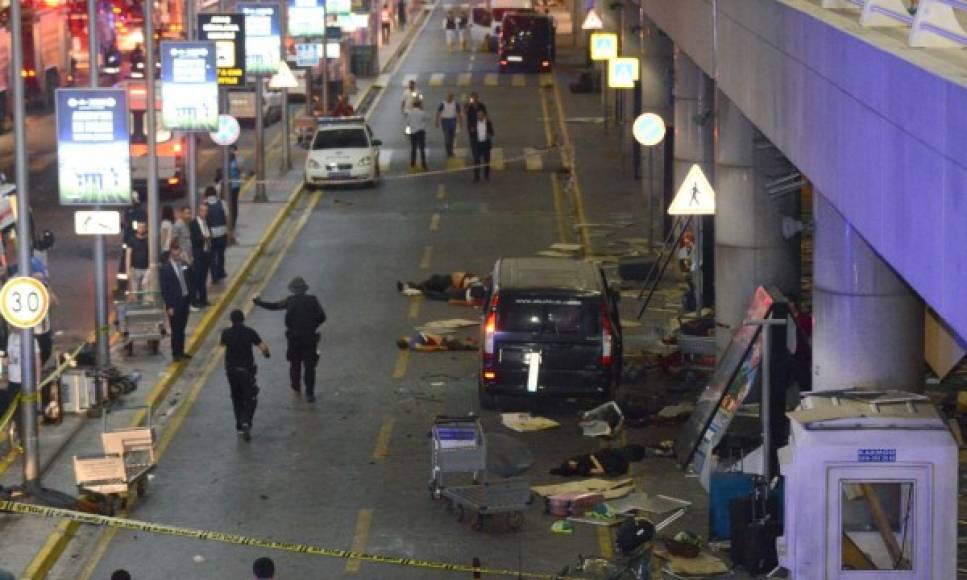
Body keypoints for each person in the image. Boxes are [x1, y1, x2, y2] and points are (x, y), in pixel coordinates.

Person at [253, 277, 326, 403]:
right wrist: (312, 326)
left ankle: (296, 386)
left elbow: (274, 306)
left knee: (295, 364)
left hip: (294, 338)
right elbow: (322, 317)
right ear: (304, 289)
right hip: (310, 338)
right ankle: (310, 394)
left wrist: (258, 302)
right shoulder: (313, 300)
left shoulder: (289, 301)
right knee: (309, 366)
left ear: (292, 290)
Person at [220, 309, 270, 441]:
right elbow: (263, 347)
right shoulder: (250, 332)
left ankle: (239, 426)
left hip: (231, 371)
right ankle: (246, 420)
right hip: (246, 371)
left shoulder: (226, 333)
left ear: (231, 320)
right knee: (251, 397)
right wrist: (266, 354)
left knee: (236, 398)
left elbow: (222, 344)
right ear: (243, 319)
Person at [5, 329, 41, 452]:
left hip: (27, 382)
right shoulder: (10, 338)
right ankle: (21, 438)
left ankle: (30, 439)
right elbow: (7, 358)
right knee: (15, 413)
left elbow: (37, 360)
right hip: (12, 381)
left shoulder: (32, 339)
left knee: (27, 411)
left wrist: (37, 382)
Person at [159, 244, 192, 361]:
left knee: (182, 329)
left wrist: (187, 262)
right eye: (175, 254)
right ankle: (175, 353)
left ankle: (181, 351)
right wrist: (169, 306)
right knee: (176, 329)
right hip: (174, 303)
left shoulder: (183, 265)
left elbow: (190, 276)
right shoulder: (166, 269)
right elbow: (165, 289)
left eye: (179, 253)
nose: (177, 256)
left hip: (185, 301)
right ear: (171, 254)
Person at [189, 203, 213, 309]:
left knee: (203, 277)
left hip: (206, 253)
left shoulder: (207, 222)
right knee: (197, 278)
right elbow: (194, 239)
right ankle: (195, 300)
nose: (205, 213)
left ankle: (203, 299)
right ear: (199, 211)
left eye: (206, 211)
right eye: (203, 211)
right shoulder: (193, 224)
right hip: (198, 254)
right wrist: (204, 238)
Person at [397, 271, 482, 301]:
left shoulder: (478, 290)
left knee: (434, 290)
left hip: (466, 290)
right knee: (435, 280)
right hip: (455, 283)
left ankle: (412, 288)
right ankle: (414, 287)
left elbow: (468, 290)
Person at [205, 186, 229, 283]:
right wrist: (229, 230)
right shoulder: (222, 203)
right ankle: (221, 271)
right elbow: (227, 217)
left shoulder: (205, 205)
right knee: (221, 254)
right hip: (222, 232)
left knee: (212, 256)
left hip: (211, 235)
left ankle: (214, 276)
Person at [124, 221, 151, 294]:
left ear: (146, 228)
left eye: (143, 227)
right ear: (137, 228)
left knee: (146, 291)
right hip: (134, 269)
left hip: (146, 269)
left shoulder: (149, 240)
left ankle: (145, 304)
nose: (141, 229)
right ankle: (135, 304)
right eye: (139, 227)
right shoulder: (131, 239)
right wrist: (127, 270)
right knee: (134, 292)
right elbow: (128, 255)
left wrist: (150, 269)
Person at [469, 108, 494, 182]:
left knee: (487, 161)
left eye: (481, 115)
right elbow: (471, 134)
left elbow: (492, 133)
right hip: (477, 145)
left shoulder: (488, 123)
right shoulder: (474, 123)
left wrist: (489, 135)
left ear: (484, 115)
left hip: (486, 144)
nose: (479, 116)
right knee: (476, 161)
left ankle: (486, 176)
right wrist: (472, 131)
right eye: (478, 115)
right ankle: (476, 177)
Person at [405, 98, 429, 171]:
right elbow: (427, 118)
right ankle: (424, 164)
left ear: (413, 105)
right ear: (419, 105)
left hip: (413, 132)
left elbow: (407, 123)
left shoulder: (410, 113)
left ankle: (413, 163)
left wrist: (407, 132)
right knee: (422, 149)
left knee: (413, 148)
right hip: (421, 132)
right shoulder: (422, 112)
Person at [435, 93, 461, 158]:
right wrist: (436, 121)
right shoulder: (442, 104)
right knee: (447, 138)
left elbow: (458, 113)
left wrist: (460, 122)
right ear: (446, 97)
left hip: (453, 121)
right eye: (448, 97)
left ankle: (451, 151)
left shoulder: (456, 104)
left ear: (452, 98)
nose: (449, 99)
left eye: (451, 97)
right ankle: (448, 152)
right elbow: (438, 112)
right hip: (445, 122)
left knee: (452, 138)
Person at [464, 93, 488, 160]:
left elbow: (485, 115)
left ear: (477, 98)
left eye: (475, 98)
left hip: (481, 126)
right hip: (471, 127)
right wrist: (469, 104)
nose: (474, 99)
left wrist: (486, 123)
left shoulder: (481, 105)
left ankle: (481, 153)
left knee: (481, 140)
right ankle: (475, 156)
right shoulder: (468, 105)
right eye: (472, 98)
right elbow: (465, 112)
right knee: (473, 142)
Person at [228, 145, 243, 232]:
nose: (231, 152)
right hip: (227, 186)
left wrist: (236, 158)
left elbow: (240, 169)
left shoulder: (238, 159)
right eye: (230, 150)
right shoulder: (226, 159)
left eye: (233, 150)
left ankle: (233, 222)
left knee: (233, 204)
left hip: (235, 185)